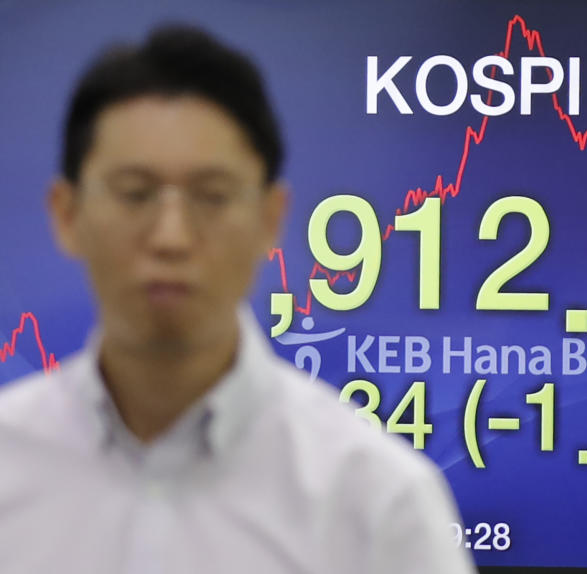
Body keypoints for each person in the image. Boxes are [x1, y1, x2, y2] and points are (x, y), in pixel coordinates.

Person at [0, 23, 476, 574]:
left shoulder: (375, 501)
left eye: (212, 196)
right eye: (134, 193)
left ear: (270, 219)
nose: (171, 237)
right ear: (66, 214)